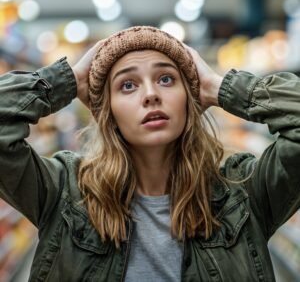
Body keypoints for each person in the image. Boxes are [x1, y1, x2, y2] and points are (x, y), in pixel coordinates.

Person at [0, 26, 299, 282]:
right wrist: (68, 80)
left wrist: (219, 87)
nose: (151, 94)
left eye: (166, 79)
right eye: (127, 85)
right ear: (109, 112)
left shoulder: (244, 194)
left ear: (189, 97)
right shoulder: (64, 193)